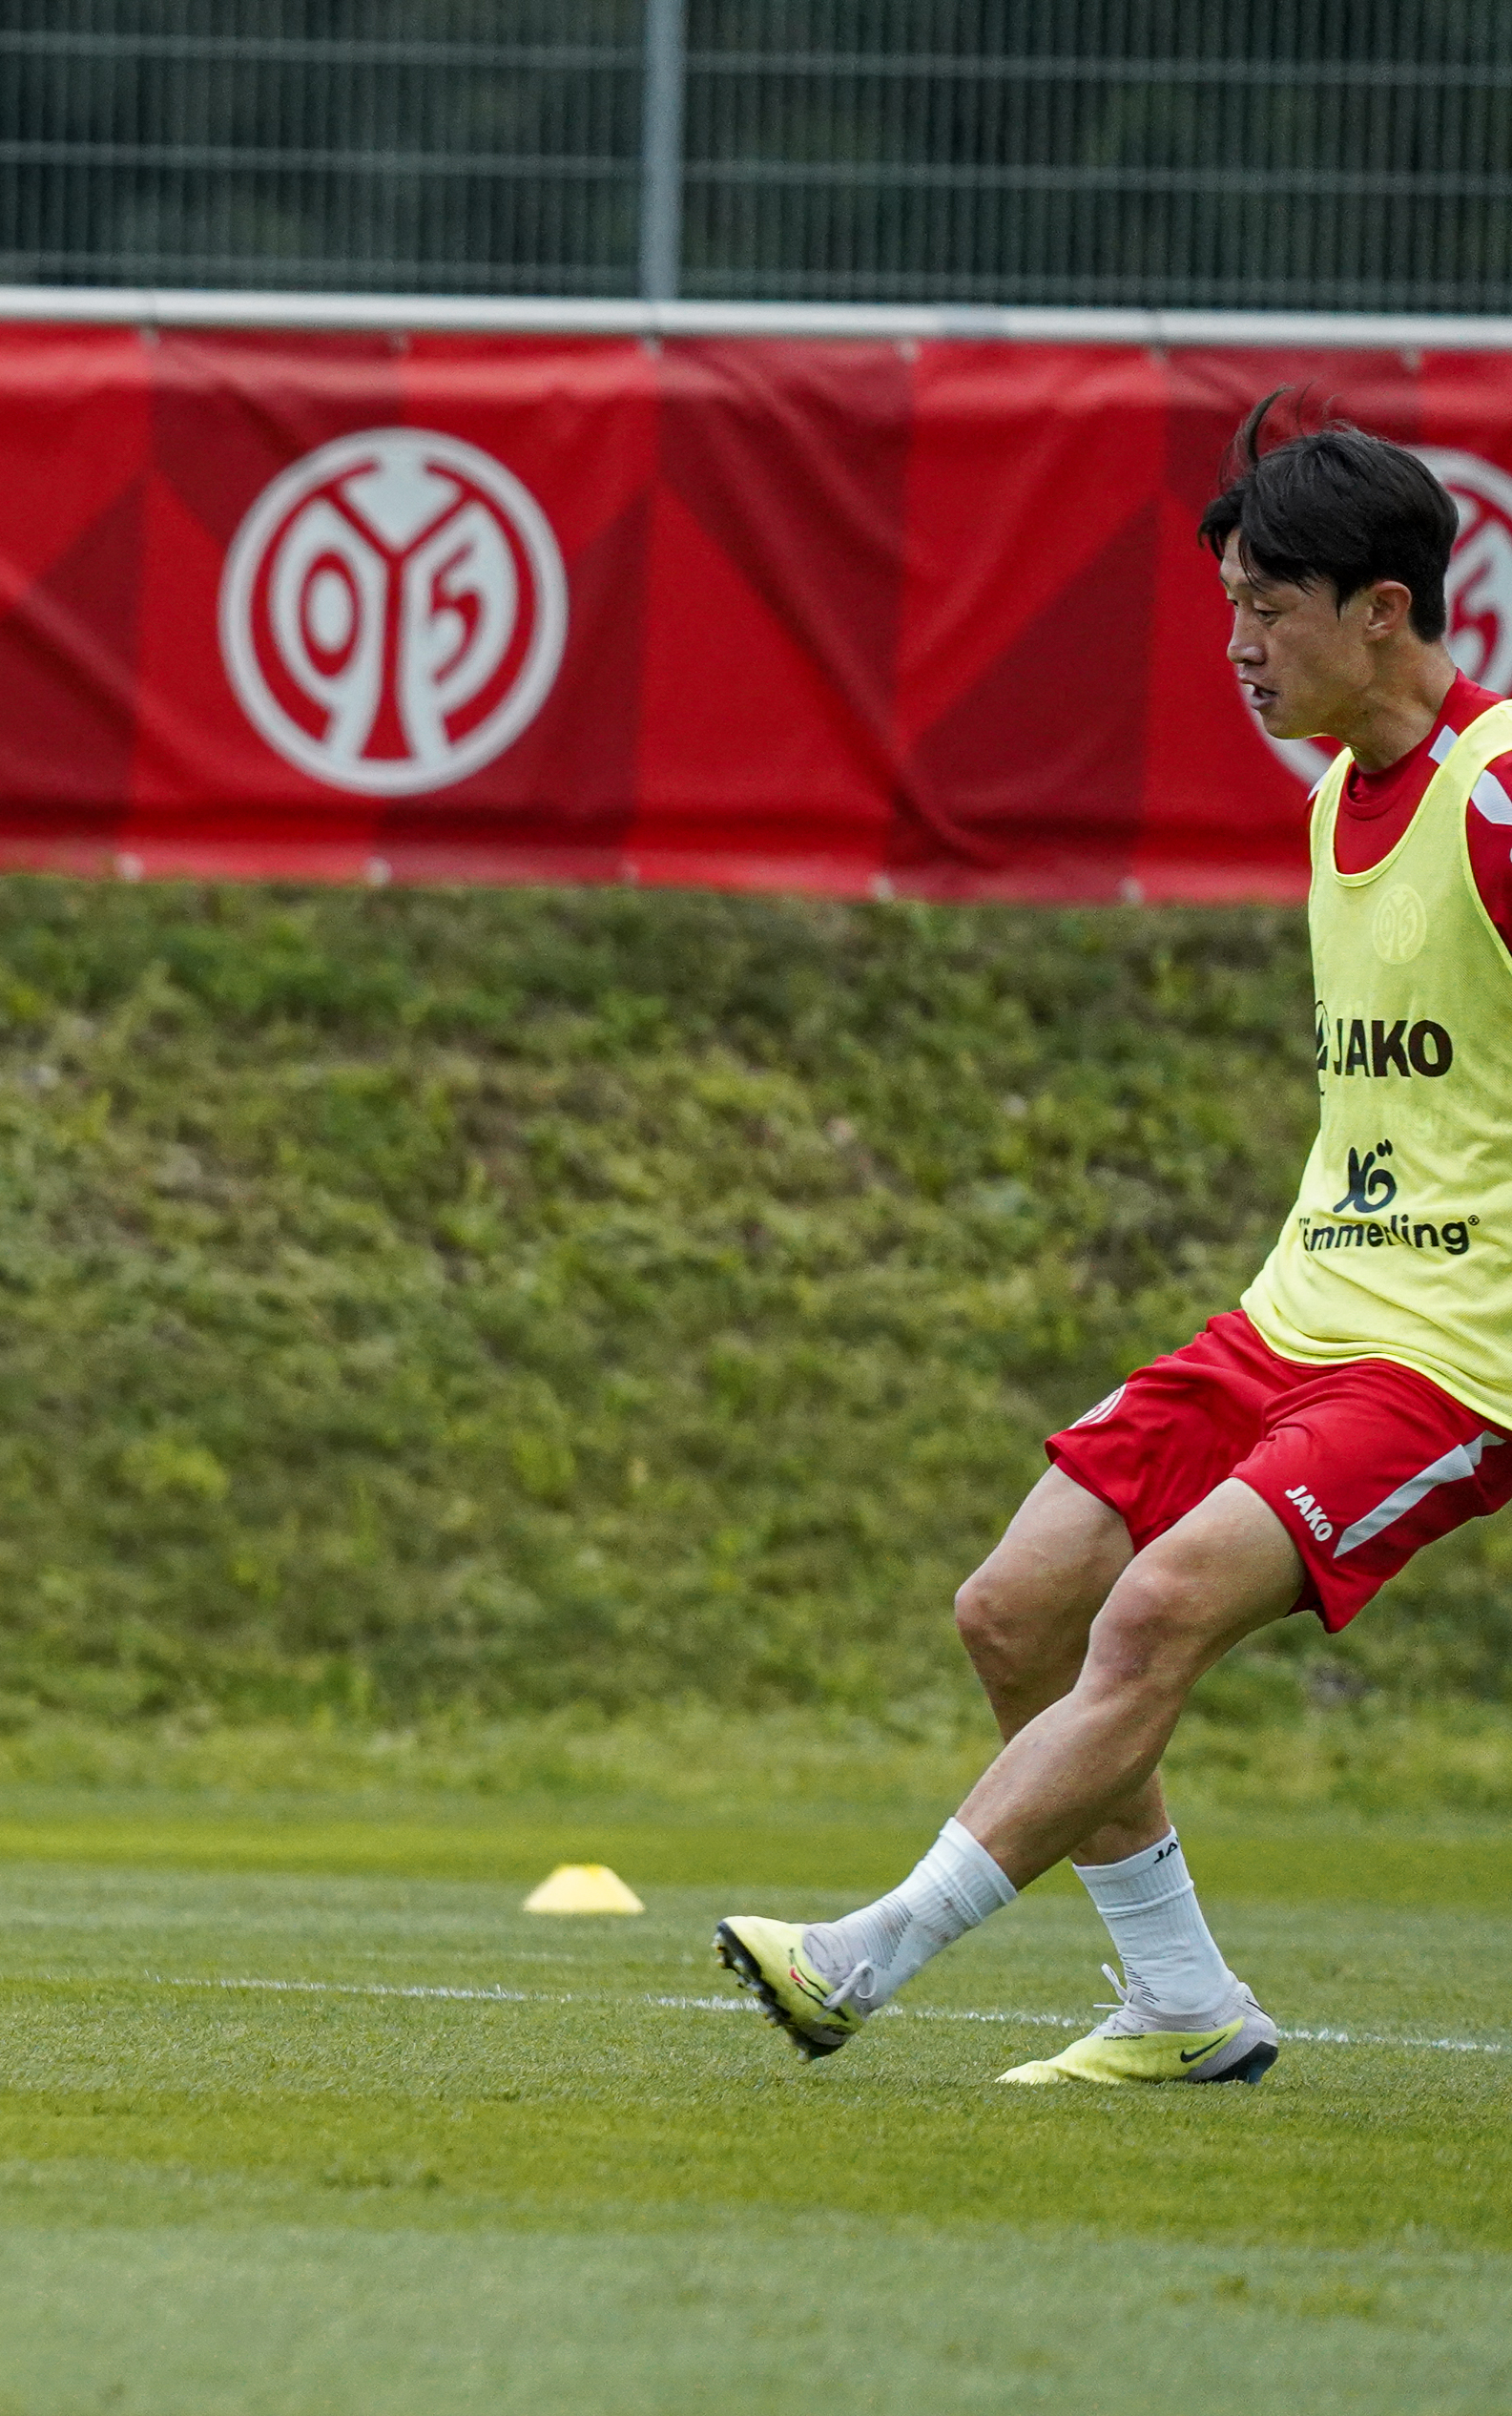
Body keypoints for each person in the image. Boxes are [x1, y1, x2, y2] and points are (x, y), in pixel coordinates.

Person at [719, 395, 1510, 2084]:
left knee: (1150, 1614)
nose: (1237, 646)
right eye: (1227, 606)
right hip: (1302, 1311)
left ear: (1386, 610)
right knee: (1016, 1607)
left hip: (1458, 1354)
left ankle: (867, 1958)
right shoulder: (1331, 809)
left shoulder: (1500, 795)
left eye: (1270, 610)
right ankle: (1183, 2003)